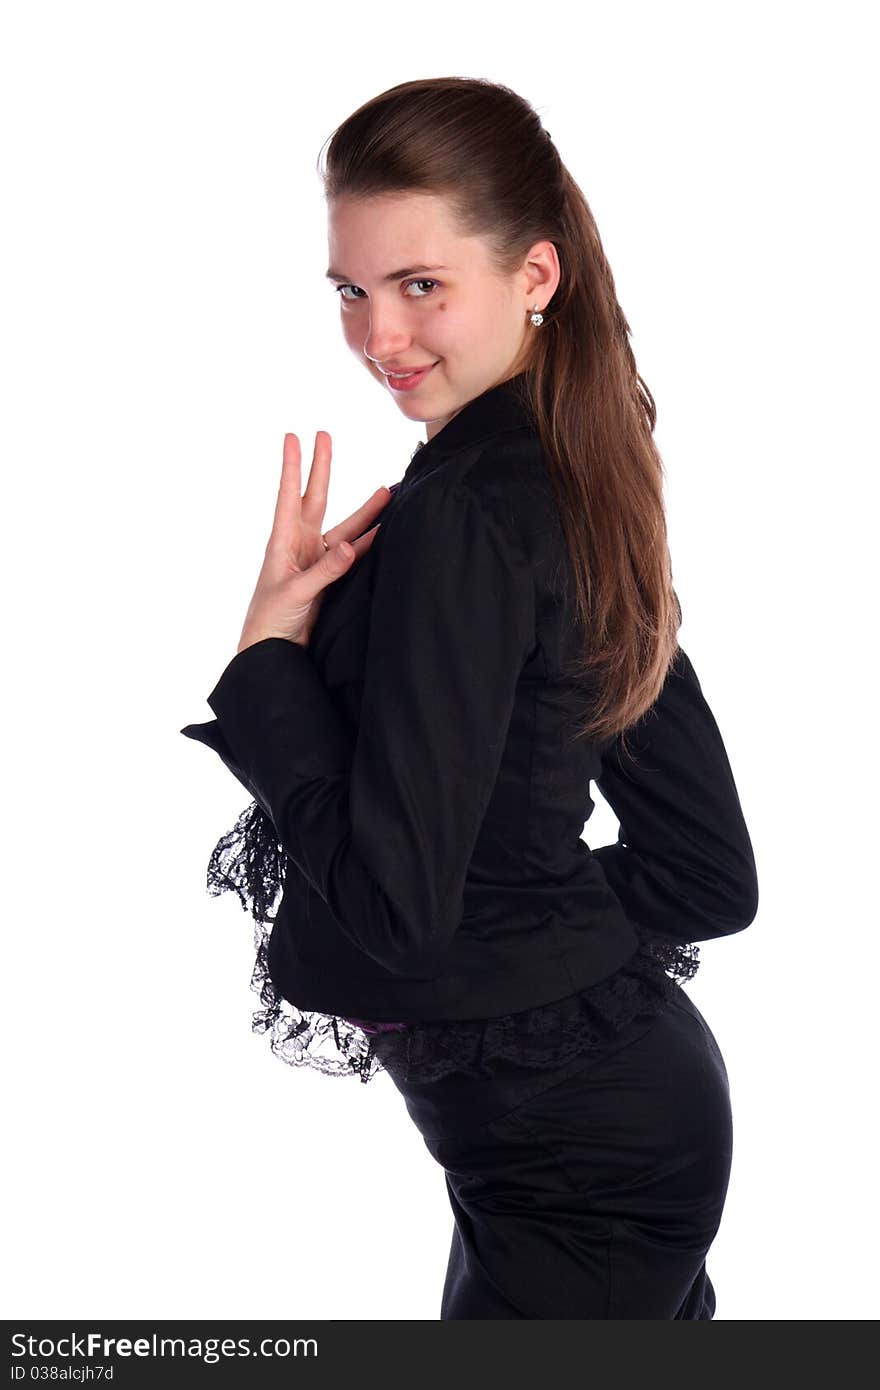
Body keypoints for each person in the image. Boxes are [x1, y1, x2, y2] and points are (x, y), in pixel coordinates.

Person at [180, 76, 759, 1319]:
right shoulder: (573, 470)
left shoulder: (466, 513)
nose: (380, 336)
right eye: (351, 291)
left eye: (420, 285)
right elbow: (707, 871)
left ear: (535, 276)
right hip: (606, 1136)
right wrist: (521, 922)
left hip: (572, 1166)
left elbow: (394, 906)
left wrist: (266, 660)